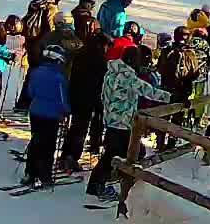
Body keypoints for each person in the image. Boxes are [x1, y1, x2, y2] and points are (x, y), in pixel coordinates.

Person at [86, 45, 169, 203]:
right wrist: (171, 97)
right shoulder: (128, 77)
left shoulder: (111, 72)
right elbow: (149, 91)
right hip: (122, 122)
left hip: (111, 120)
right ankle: (102, 184)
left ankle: (105, 181)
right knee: (122, 154)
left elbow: (103, 95)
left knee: (119, 153)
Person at [61, 20, 111, 175]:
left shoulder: (81, 53)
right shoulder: (100, 59)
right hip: (88, 97)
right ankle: (71, 157)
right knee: (80, 129)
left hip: (74, 93)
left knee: (75, 127)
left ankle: (66, 154)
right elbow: (100, 81)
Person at [22, 44, 71, 187]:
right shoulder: (59, 78)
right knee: (48, 146)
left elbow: (30, 92)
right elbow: (63, 99)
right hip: (51, 115)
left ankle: (30, 172)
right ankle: (44, 175)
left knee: (35, 141)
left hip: (35, 112)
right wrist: (66, 111)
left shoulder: (36, 72)